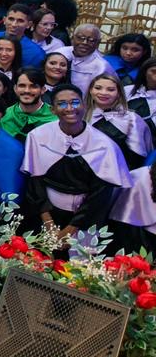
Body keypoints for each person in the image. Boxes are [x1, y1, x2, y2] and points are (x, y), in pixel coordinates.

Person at [22, 83, 130, 245]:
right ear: (53, 109)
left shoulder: (104, 144)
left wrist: (72, 228)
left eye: (75, 102)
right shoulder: (38, 136)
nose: (69, 108)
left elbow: (101, 193)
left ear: (84, 105)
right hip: (45, 212)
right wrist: (48, 222)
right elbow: (35, 181)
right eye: (62, 104)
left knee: (78, 259)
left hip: (87, 216)